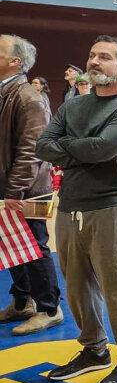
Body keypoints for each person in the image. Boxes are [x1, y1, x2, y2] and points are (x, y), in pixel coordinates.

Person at [35, 35, 117, 383]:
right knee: (77, 286)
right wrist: (80, 149)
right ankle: (94, 350)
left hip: (112, 207)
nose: (95, 61)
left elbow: (102, 150)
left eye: (105, 57)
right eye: (92, 55)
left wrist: (66, 148)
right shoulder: (73, 107)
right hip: (70, 208)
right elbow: (42, 145)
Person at [0, 34, 63, 335]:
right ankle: (23, 302)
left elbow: (32, 150)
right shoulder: (5, 93)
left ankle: (50, 309)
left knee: (35, 247)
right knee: (11, 246)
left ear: (15, 61)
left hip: (27, 190)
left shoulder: (29, 98)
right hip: (7, 188)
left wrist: (14, 191)